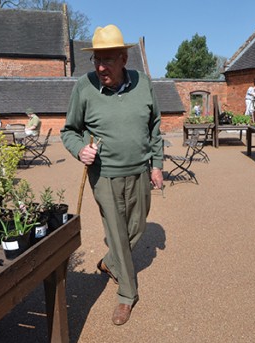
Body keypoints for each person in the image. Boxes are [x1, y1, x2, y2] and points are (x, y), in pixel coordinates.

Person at [61, 24, 164, 326]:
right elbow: (70, 131)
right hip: (104, 175)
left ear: (123, 59)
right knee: (118, 232)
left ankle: (108, 262)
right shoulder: (84, 86)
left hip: (140, 171)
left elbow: (155, 126)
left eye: (107, 59)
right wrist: (80, 149)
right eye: (96, 59)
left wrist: (156, 164)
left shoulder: (144, 83)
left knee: (137, 227)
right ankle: (126, 295)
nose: (101, 66)